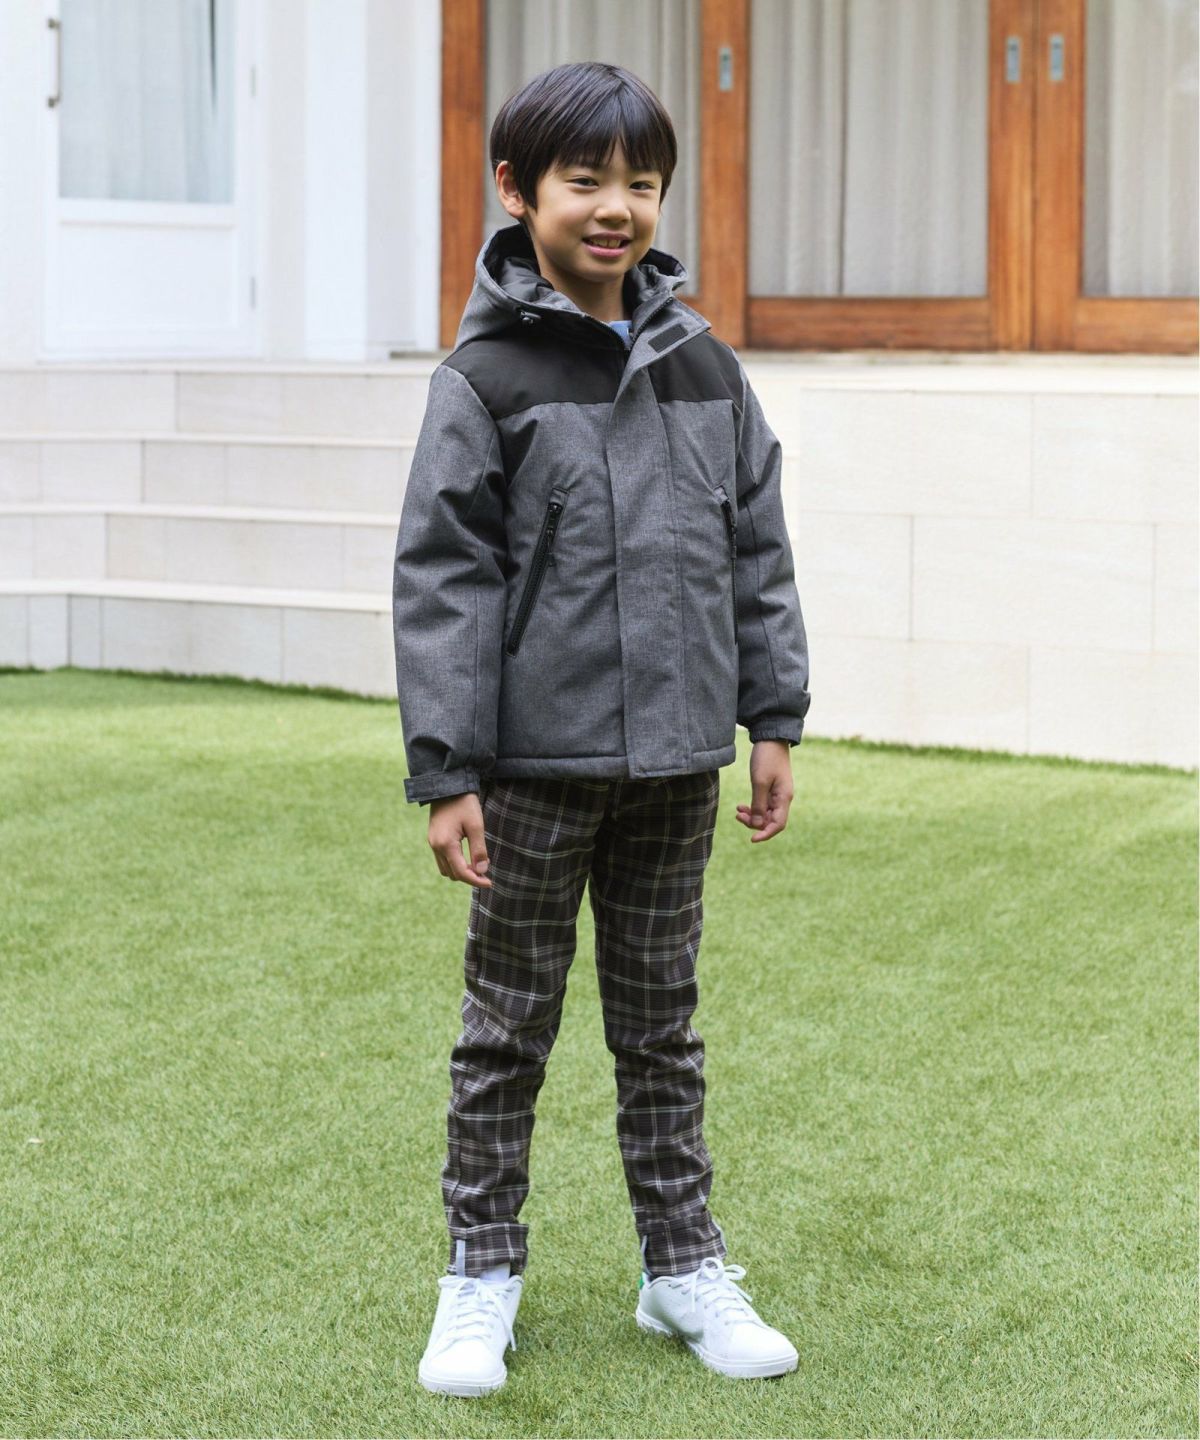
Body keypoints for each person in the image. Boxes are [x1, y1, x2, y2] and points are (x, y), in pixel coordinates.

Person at [392, 60, 811, 1398]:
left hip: (678, 766)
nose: (617, 206)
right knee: (505, 1032)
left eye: (641, 181)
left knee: (661, 1028)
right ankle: (480, 1276)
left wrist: (773, 714)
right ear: (518, 192)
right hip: (533, 771)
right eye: (586, 179)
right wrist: (448, 770)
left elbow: (757, 549)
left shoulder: (707, 370)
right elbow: (445, 578)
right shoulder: (483, 379)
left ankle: (681, 1268)